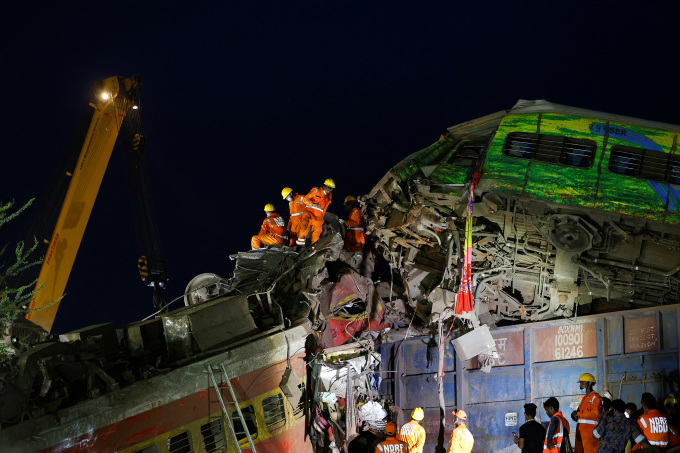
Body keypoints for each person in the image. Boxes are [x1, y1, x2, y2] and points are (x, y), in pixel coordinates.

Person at [296, 179, 335, 247]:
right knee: (304, 227)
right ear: (324, 186)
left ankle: (313, 248)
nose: (329, 190)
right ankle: (299, 246)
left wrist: (322, 217)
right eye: (329, 188)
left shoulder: (329, 196)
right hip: (309, 212)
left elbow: (325, 207)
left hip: (318, 217)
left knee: (316, 233)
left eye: (331, 189)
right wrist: (313, 204)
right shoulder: (316, 190)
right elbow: (305, 199)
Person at [572, 373, 602, 453]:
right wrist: (575, 416)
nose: (580, 385)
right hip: (580, 432)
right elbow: (581, 416)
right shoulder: (584, 399)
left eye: (582, 382)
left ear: (589, 383)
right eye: (580, 383)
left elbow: (595, 413)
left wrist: (579, 414)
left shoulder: (596, 397)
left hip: (589, 433)